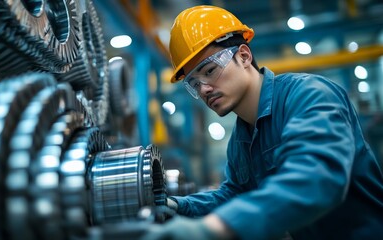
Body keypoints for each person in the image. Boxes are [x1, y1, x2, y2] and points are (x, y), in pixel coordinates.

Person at [141, 5, 383, 240]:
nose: (204, 89)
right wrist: (177, 206)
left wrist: (217, 228)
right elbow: (234, 195)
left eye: (210, 70)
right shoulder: (240, 140)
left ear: (244, 56)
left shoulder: (308, 95)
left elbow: (317, 177)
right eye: (194, 83)